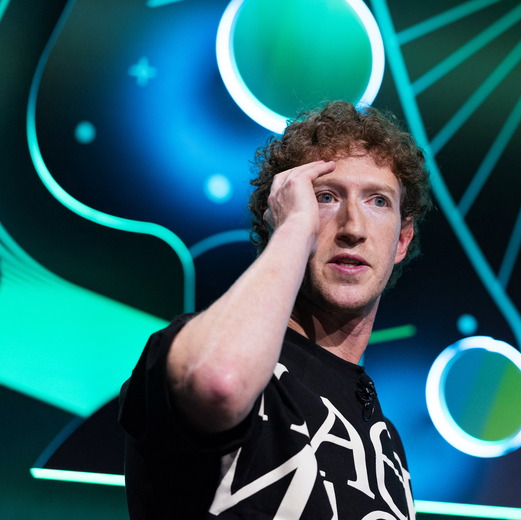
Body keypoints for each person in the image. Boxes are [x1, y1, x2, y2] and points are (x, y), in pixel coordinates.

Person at [118, 101, 432, 519]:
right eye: (326, 197)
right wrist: (295, 229)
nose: (353, 228)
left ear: (402, 241)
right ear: (279, 212)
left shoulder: (384, 441)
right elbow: (220, 382)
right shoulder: (197, 350)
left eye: (377, 201)